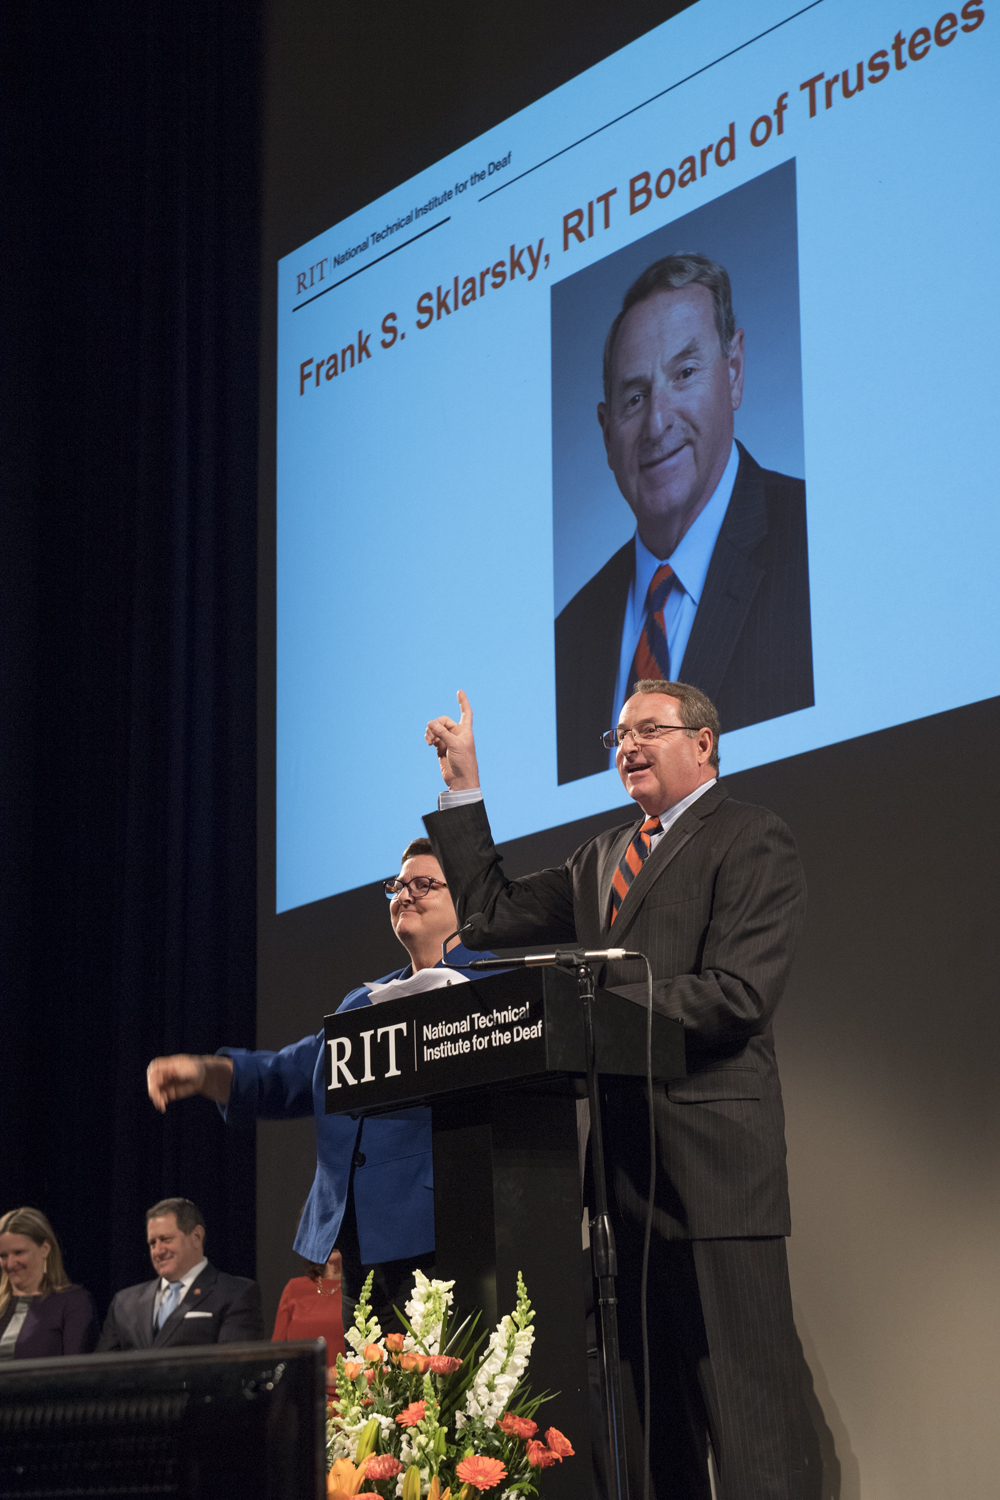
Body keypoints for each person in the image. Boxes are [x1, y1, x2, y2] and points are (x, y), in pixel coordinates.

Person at [424, 686, 807, 1500]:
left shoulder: (750, 837)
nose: (627, 744)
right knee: (650, 1425)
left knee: (751, 1415)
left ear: (704, 744)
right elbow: (488, 917)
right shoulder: (603, 855)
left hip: (715, 1171)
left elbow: (737, 993)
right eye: (618, 733)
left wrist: (593, 1005)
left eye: (648, 730)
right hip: (623, 1182)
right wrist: (464, 787)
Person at [145, 839, 494, 1331]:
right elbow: (289, 1073)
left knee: (446, 1402)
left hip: (442, 1234)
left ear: (465, 900)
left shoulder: (492, 986)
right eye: (397, 886)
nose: (404, 896)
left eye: (424, 885)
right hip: (358, 1246)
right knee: (376, 1404)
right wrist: (206, 1073)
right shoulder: (363, 1003)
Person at [554, 252, 813, 785]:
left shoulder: (814, 543)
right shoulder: (569, 637)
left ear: (734, 370)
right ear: (606, 433)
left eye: (685, 373)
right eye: (634, 397)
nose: (656, 422)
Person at [96, 1197, 264, 1350]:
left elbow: (234, 1370)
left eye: (166, 1239)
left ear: (197, 1237)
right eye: (152, 1243)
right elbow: (102, 1372)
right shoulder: (124, 1303)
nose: (158, 1251)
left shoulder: (235, 1293)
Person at [0, 1207, 98, 1358]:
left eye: (19, 1252)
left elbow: (76, 1372)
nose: (10, 1264)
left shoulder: (73, 1302)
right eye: (3, 1255)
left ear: (45, 1249)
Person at [272, 1246, 344, 1378]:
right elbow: (276, 1355)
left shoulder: (364, 1291)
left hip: (348, 1395)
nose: (336, 1238)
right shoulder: (294, 1288)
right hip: (300, 1394)